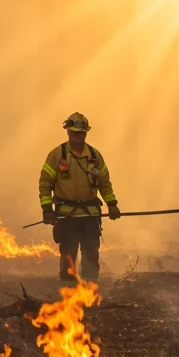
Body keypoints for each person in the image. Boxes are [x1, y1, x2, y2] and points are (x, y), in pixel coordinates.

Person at [38, 112, 120, 282]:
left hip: (90, 215)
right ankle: (68, 293)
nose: (78, 136)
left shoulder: (94, 156)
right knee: (68, 258)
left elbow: (104, 183)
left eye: (81, 133)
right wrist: (47, 210)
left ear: (86, 132)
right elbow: (45, 184)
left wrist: (112, 204)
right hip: (67, 216)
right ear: (68, 131)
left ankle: (90, 291)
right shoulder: (57, 155)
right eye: (75, 133)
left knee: (91, 256)